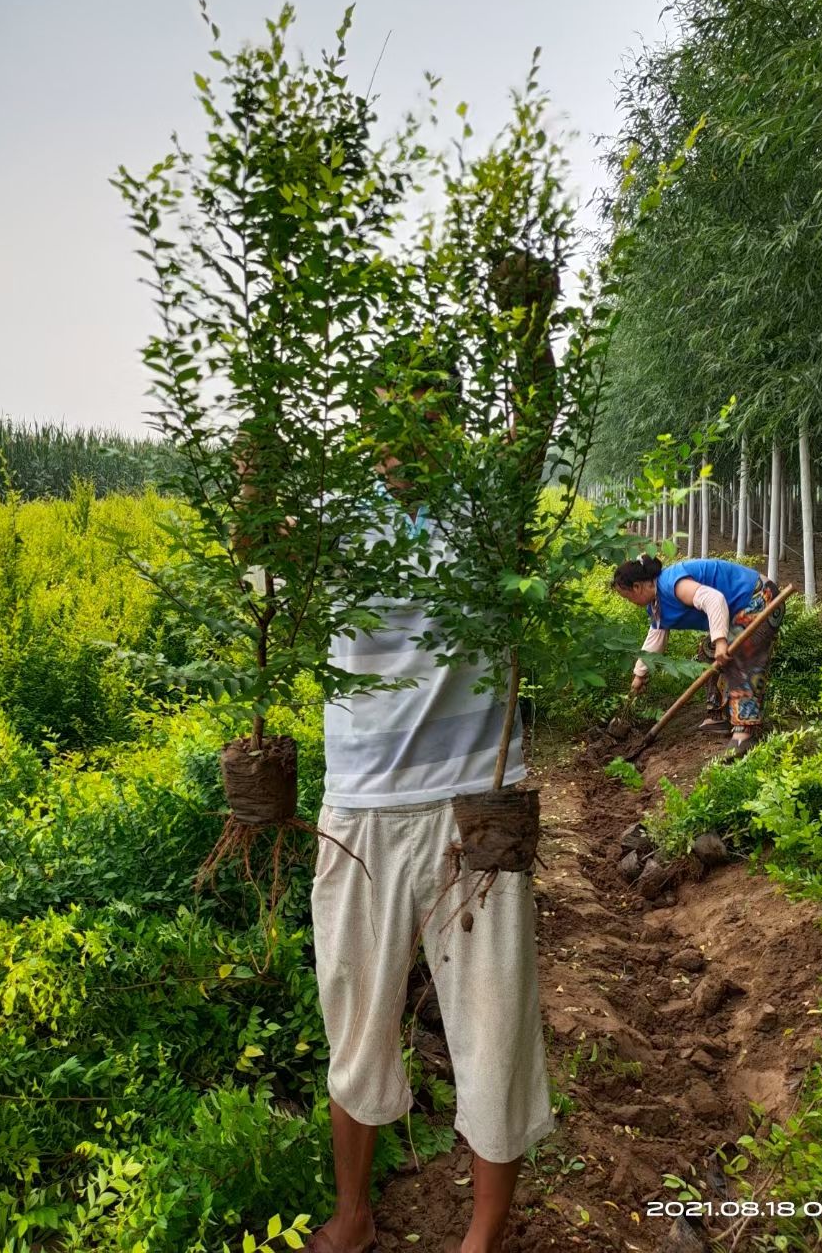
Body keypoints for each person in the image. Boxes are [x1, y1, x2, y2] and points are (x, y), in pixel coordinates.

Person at [307, 265, 560, 1253]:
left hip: (473, 808)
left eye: (429, 412)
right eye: (389, 412)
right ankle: (354, 1214)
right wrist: (249, 471)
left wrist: (530, 327)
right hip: (361, 808)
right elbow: (255, 548)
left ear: (453, 422)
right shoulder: (332, 516)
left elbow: (534, 429)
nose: (406, 434)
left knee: (494, 1025)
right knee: (356, 1022)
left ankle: (484, 1235)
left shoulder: (487, 509)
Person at [611, 553, 785, 757]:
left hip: (761, 599)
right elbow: (655, 638)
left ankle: (744, 732)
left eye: (627, 596)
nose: (629, 601)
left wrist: (721, 642)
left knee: (739, 656)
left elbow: (714, 599)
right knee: (708, 651)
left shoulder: (671, 583)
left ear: (637, 587)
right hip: (739, 611)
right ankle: (719, 715)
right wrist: (639, 675)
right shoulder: (656, 604)